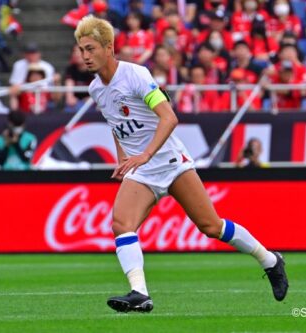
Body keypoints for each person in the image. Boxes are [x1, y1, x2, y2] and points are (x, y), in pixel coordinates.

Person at [74, 15, 288, 313]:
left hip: (171, 161)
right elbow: (116, 123)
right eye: (81, 49)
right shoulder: (96, 88)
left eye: (90, 48)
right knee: (121, 223)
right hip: (141, 169)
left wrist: (146, 154)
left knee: (211, 226)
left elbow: (170, 117)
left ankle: (270, 260)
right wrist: (122, 156)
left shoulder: (135, 75)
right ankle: (140, 293)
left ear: (108, 47)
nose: (84, 56)